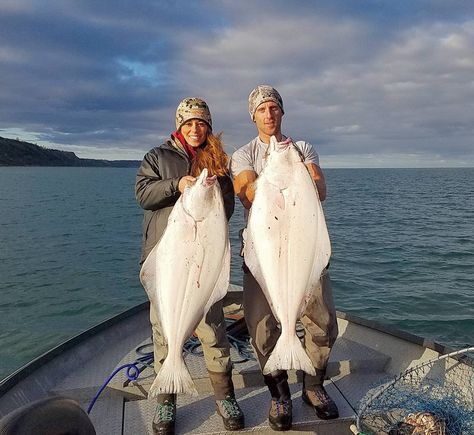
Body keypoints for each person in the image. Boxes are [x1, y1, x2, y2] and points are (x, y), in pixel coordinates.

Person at [231, 85, 339, 431]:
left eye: (274, 108)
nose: (269, 114)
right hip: (263, 253)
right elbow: (247, 192)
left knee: (321, 323)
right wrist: (272, 180)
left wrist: (304, 172)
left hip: (303, 250)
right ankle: (279, 395)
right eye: (262, 109)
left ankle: (313, 387)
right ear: (253, 116)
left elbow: (318, 190)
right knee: (262, 329)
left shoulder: (302, 148)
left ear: (282, 112)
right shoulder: (244, 154)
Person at [135, 98, 244, 435]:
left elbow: (226, 209)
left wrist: (209, 195)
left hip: (202, 259)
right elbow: (143, 194)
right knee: (164, 331)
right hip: (167, 258)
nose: (196, 129)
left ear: (208, 126)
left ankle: (225, 397)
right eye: (189, 123)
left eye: (202, 123)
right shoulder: (158, 156)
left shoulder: (218, 160)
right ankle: (166, 402)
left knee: (213, 330)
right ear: (179, 126)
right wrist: (178, 185)